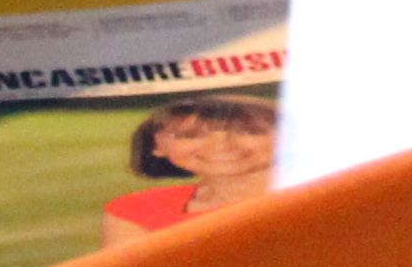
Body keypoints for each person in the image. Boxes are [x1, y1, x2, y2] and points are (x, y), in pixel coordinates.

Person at [100, 93, 279, 244]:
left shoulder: (303, 201)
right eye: (191, 135)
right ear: (157, 145)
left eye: (251, 132)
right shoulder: (138, 211)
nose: (220, 145)